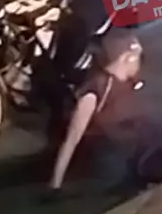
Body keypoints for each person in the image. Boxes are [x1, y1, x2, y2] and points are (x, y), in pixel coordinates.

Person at [47, 29, 144, 196]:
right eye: (138, 58)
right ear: (126, 58)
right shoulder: (96, 89)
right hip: (104, 159)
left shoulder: (129, 84)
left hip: (124, 154)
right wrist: (55, 185)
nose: (140, 63)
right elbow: (73, 137)